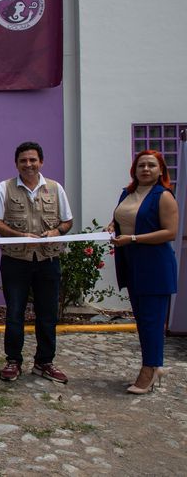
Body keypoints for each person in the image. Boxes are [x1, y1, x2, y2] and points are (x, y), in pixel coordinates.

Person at [0, 141, 73, 383]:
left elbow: (67, 221)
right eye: (23, 160)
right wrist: (19, 235)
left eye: (33, 160)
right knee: (15, 312)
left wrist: (57, 232)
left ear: (41, 162)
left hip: (48, 260)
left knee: (47, 313)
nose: (28, 164)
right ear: (16, 164)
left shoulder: (55, 189)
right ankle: (13, 360)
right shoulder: (4, 188)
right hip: (16, 260)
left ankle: (45, 362)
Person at [108, 150, 178, 395]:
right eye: (141, 166)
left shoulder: (164, 196)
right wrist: (112, 227)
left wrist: (134, 238)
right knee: (142, 320)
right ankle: (154, 364)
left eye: (151, 165)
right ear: (134, 170)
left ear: (161, 170)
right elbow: (121, 218)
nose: (145, 170)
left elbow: (170, 232)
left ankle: (149, 370)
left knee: (152, 321)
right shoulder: (127, 193)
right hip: (131, 262)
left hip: (154, 265)